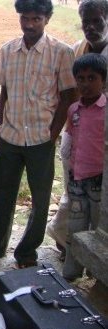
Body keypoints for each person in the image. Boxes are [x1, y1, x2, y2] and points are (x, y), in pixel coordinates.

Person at [0, 0, 77, 268]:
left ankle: (27, 252)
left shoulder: (61, 53)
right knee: (2, 195)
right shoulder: (7, 51)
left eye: (36, 19)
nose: (29, 24)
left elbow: (67, 97)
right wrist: (3, 122)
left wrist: (52, 135)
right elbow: (3, 91)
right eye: (25, 18)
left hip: (42, 140)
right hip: (10, 138)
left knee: (40, 202)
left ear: (47, 19)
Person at [47, 0, 108, 258]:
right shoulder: (76, 50)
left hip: (101, 135)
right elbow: (68, 92)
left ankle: (94, 250)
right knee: (74, 191)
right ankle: (68, 244)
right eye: (86, 22)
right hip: (75, 129)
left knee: (100, 198)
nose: (91, 27)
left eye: (98, 21)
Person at [62, 53, 106, 281]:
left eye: (92, 78)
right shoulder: (73, 110)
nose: (86, 84)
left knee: (99, 228)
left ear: (103, 81)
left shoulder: (105, 110)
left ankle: (97, 272)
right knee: (76, 224)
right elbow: (69, 141)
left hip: (100, 180)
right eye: (81, 79)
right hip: (77, 177)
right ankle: (72, 270)